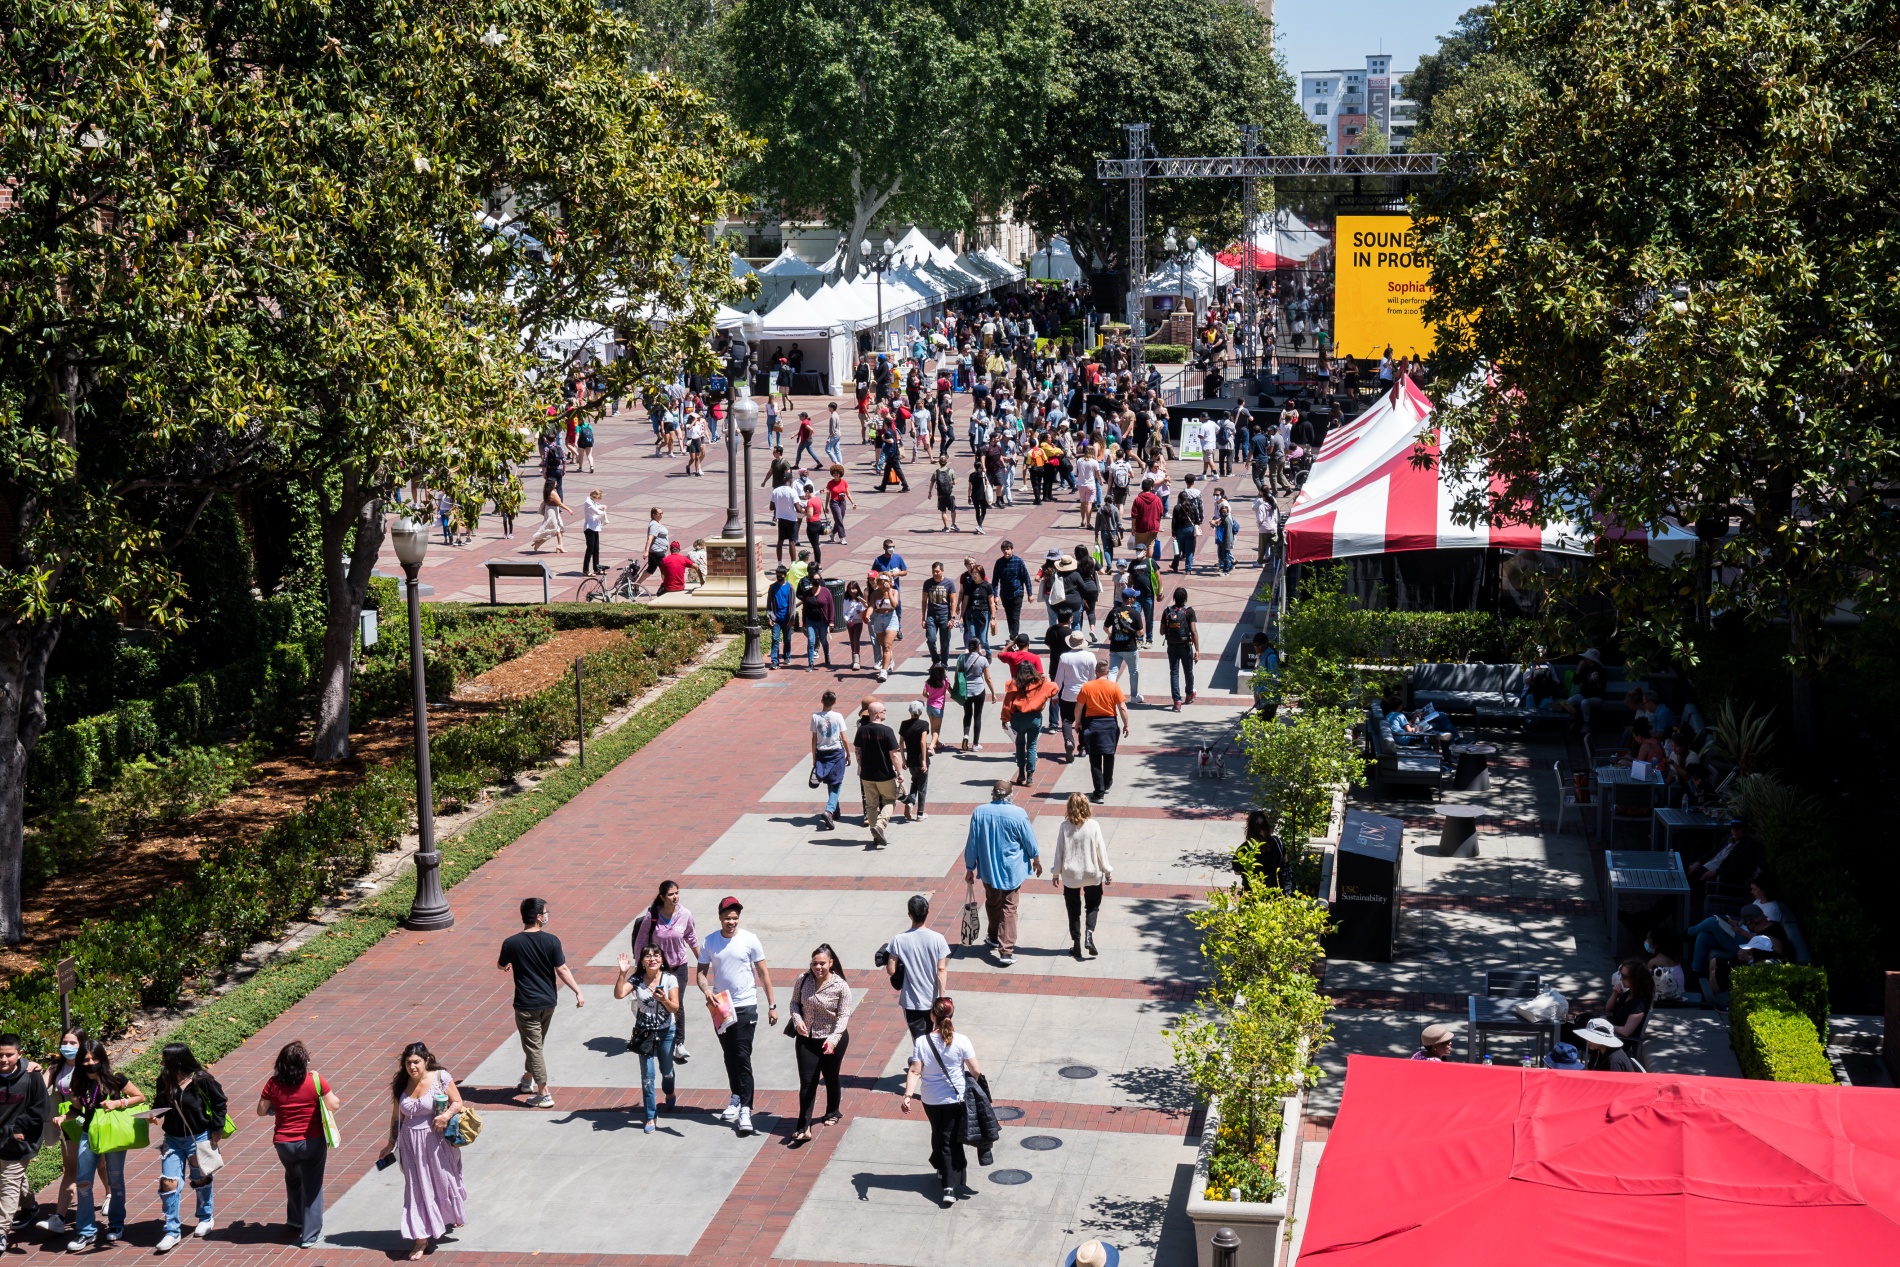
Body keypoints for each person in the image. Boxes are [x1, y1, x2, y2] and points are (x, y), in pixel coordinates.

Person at [697, 897, 776, 1137]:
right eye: (727, 918)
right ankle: (736, 1096)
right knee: (729, 1055)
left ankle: (746, 1109)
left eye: (735, 918)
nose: (731, 922)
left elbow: (763, 973)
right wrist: (706, 990)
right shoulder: (710, 941)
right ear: (720, 917)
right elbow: (700, 973)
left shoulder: (750, 939)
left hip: (746, 1005)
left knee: (742, 1056)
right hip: (721, 1006)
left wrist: (772, 1005)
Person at [497, 897, 585, 1110]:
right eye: (545, 913)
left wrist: (506, 966)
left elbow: (500, 965)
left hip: (526, 1004)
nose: (547, 916)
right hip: (548, 1002)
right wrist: (577, 991)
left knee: (534, 1047)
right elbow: (562, 969)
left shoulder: (511, 942)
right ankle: (528, 1080)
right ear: (538, 917)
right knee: (535, 1045)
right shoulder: (552, 941)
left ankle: (543, 1093)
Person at [378, 1043, 465, 1260]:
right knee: (417, 1188)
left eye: (416, 1062)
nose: (412, 1067)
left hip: (436, 1141)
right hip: (410, 1145)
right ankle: (421, 1239)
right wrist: (391, 1143)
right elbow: (397, 1117)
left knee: (443, 1181)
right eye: (408, 1063)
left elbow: (457, 1102)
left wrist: (445, 1116)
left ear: (426, 1060)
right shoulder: (401, 1083)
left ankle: (448, 1214)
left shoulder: (440, 1078)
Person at [900, 997, 986, 1207]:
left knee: (940, 1133)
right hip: (956, 1098)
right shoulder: (962, 1041)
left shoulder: (922, 1042)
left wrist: (908, 1095)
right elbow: (975, 1070)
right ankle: (949, 1186)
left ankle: (942, 1168)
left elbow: (915, 1071)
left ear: (932, 1016)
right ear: (951, 1015)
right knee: (949, 1140)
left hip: (931, 1099)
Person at [255, 1041, 339, 1249]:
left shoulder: (273, 1083)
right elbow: (334, 1104)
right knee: (312, 1186)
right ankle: (310, 1235)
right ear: (304, 1062)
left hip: (284, 1143)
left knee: (293, 1177)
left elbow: (261, 1110)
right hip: (311, 1141)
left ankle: (294, 1219)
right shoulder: (315, 1080)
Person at [149, 1043, 225, 1253]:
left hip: (197, 1137)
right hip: (172, 1140)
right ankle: (172, 1230)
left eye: (165, 1060)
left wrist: (217, 1129)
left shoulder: (202, 1080)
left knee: (200, 1178)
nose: (162, 1063)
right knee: (169, 1182)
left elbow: (219, 1103)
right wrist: (153, 1115)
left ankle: (205, 1217)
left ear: (178, 1062)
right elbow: (160, 1106)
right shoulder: (164, 1081)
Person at [963, 779, 1044, 966]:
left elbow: (972, 842)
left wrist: (969, 868)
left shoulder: (979, 812)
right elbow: (1029, 840)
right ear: (1010, 795)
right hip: (1011, 870)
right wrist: (1036, 859)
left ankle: (993, 936)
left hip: (988, 869)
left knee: (992, 902)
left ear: (992, 794)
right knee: (1009, 907)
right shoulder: (1018, 814)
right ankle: (1006, 950)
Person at [61, 1037, 131, 1253]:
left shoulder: (116, 1079)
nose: (90, 1063)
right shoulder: (78, 1082)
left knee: (115, 1180)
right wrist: (64, 1117)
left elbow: (139, 1097)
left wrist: (118, 1102)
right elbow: (76, 1109)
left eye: (94, 1058)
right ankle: (86, 1230)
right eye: (86, 1059)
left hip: (112, 1135)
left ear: (102, 1058)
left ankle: (116, 1223)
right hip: (88, 1133)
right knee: (83, 1182)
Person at [787, 944, 854, 1145]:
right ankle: (803, 1126)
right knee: (808, 1082)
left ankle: (833, 1111)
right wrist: (798, 1021)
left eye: (822, 963)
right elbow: (794, 1004)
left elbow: (843, 1016)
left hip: (832, 1039)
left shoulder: (840, 986)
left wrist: (832, 1040)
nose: (818, 967)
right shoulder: (803, 979)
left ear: (831, 963)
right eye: (815, 963)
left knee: (831, 1076)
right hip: (806, 1039)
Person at [631, 881, 701, 1062]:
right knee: (656, 1002)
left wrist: (703, 962)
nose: (675, 897)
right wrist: (639, 967)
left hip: (679, 967)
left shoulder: (685, 914)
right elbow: (640, 942)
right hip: (658, 968)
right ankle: (654, 1037)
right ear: (662, 897)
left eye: (677, 893)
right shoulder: (652, 916)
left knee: (677, 1004)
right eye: (671, 894)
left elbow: (692, 938)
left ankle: (679, 1043)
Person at [615, 944, 680, 1132]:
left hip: (666, 1031)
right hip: (644, 1034)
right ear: (642, 962)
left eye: (656, 955)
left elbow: (675, 1007)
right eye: (648, 956)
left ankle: (669, 1092)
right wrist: (622, 973)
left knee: (667, 1071)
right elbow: (619, 994)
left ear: (662, 960)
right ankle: (650, 1116)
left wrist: (663, 1000)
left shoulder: (669, 979)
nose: (652, 959)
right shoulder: (636, 979)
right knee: (648, 1077)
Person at [1050, 793, 1113, 960]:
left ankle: (1076, 943)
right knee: (1092, 906)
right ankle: (1089, 934)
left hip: (1071, 875)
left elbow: (1059, 852)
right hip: (1092, 873)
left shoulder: (1064, 826)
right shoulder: (1093, 825)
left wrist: (1056, 873)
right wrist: (1107, 871)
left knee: (1073, 910)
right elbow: (1101, 850)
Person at [882, 895, 951, 1039]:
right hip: (932, 1000)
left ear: (910, 915)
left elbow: (891, 970)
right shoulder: (938, 939)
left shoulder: (898, 940)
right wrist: (942, 996)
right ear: (928, 912)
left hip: (911, 1001)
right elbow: (941, 970)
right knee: (935, 1037)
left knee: (919, 1041)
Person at [41, 1029, 81, 1236]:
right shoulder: (57, 1067)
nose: (68, 1047)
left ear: (82, 1045)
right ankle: (59, 1217)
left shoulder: (89, 1065)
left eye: (73, 1043)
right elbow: (39, 1088)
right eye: (64, 1042)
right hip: (68, 1120)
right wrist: (30, 1068)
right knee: (71, 1168)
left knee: (101, 1165)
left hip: (91, 1120)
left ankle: (110, 1196)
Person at [1076, 659, 1131, 801]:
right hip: (1110, 724)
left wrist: (1078, 722)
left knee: (1094, 759)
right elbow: (1122, 707)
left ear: (1096, 672)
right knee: (1109, 754)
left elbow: (1079, 707)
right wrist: (1126, 724)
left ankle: (1099, 792)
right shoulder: (1114, 687)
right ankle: (1107, 784)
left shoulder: (1087, 687)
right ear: (1107, 672)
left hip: (1093, 724)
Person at [999, 658, 1058, 785]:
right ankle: (1030, 776)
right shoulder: (1041, 683)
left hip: (1018, 718)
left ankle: (1021, 773)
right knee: (1032, 746)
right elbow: (1054, 687)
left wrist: (1004, 719)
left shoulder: (1014, 684)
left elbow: (1007, 705)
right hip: (1034, 718)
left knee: (1020, 745)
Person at [855, 697, 903, 848]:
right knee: (890, 800)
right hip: (885, 774)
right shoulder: (887, 731)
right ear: (877, 714)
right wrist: (899, 772)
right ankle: (880, 826)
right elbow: (894, 755)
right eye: (883, 711)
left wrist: (861, 766)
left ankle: (874, 834)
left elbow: (858, 751)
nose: (885, 713)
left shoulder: (861, 730)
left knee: (871, 805)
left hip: (866, 775)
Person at [807, 689, 851, 831]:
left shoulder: (815, 717)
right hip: (836, 752)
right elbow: (844, 738)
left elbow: (814, 739)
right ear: (835, 702)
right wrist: (848, 754)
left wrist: (814, 757)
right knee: (836, 783)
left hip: (822, 753)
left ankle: (835, 811)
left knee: (830, 781)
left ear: (822, 701)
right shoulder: (838, 716)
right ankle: (829, 810)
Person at [1053, 629, 1096, 761]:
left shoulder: (1064, 657)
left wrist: (1054, 695)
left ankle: (1069, 741)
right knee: (1084, 721)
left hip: (1068, 694)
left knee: (1067, 720)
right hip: (1085, 694)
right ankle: (1082, 747)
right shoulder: (1090, 656)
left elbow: (1059, 678)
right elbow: (1093, 678)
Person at [1160, 587, 1200, 708]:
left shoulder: (1167, 611)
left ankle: (1177, 701)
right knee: (1188, 671)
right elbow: (1193, 631)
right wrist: (1197, 649)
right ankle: (1189, 694)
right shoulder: (1189, 611)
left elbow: (1161, 632)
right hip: (1185, 645)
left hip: (1172, 646)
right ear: (1185, 598)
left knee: (1174, 672)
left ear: (1174, 598)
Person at [1104, 586, 1145, 704]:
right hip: (1130, 647)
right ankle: (1134, 696)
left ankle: (1110, 696)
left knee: (1113, 671)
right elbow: (1140, 632)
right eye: (1134, 597)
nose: (1136, 598)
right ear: (1130, 599)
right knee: (1133, 671)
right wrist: (1137, 633)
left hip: (1115, 647)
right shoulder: (1135, 613)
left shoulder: (1114, 611)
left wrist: (1110, 634)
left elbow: (1105, 627)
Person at [1235, 809, 1288, 893]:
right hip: (1276, 891)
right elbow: (1285, 862)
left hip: (1252, 892)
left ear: (1249, 829)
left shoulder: (1243, 849)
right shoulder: (1277, 842)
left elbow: (1237, 872)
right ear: (1267, 826)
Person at [956, 638, 995, 752]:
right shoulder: (982, 660)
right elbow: (988, 678)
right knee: (977, 716)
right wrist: (993, 692)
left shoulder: (961, 658)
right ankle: (975, 744)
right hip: (979, 690)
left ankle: (966, 735)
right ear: (978, 646)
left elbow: (957, 675)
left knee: (967, 714)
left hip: (966, 691)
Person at [899, 700, 932, 821]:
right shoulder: (924, 724)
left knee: (914, 781)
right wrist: (924, 760)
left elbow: (901, 743)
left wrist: (903, 760)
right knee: (922, 786)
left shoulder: (904, 724)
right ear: (921, 712)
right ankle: (920, 813)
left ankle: (910, 801)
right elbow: (923, 742)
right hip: (921, 760)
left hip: (910, 760)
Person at [994, 540, 1032, 638]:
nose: (1006, 551)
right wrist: (995, 596)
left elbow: (1026, 578)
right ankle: (1013, 635)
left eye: (1008, 549)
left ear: (1012, 549)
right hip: (1005, 594)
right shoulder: (999, 563)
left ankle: (1013, 637)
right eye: (1004, 550)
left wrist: (1030, 594)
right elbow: (995, 581)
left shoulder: (1019, 561)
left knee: (1015, 616)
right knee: (1009, 616)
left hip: (1017, 592)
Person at [921, 562, 956, 666]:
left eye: (937, 571)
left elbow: (953, 601)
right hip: (931, 616)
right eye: (933, 572)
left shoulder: (949, 583)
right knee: (930, 639)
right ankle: (936, 660)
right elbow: (924, 600)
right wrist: (923, 618)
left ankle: (944, 665)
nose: (935, 574)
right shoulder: (927, 583)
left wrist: (952, 618)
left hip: (944, 616)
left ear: (942, 571)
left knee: (945, 643)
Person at [1575, 1018, 1639, 1072]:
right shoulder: (1597, 1049)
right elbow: (1590, 1070)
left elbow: (1614, 1083)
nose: (1588, 1041)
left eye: (1592, 1038)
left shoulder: (1613, 1061)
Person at [580, 489, 608, 576]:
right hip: (589, 528)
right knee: (590, 549)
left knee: (596, 549)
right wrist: (602, 510)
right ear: (595, 496)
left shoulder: (593, 502)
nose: (599, 500)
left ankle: (596, 569)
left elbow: (598, 506)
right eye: (599, 498)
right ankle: (585, 570)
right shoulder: (588, 502)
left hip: (595, 528)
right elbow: (596, 511)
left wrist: (603, 506)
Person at [932, 457, 960, 531]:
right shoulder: (951, 471)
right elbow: (954, 482)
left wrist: (930, 492)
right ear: (946, 462)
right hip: (950, 494)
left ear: (939, 463)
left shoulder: (936, 472)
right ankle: (953, 524)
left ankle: (946, 527)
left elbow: (932, 483)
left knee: (943, 511)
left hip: (940, 495)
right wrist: (950, 484)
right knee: (953, 510)